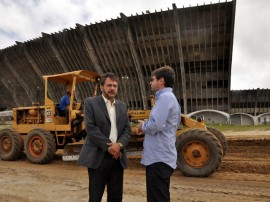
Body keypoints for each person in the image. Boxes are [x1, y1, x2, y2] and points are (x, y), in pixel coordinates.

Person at [78, 72, 131, 202]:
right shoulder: (91, 103)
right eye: (109, 85)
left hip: (117, 158)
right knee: (95, 197)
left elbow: (127, 129)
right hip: (99, 157)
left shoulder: (122, 106)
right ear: (102, 87)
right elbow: (90, 128)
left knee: (116, 197)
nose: (112, 88)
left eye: (115, 85)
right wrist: (110, 146)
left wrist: (119, 145)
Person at [136, 66, 181, 202]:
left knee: (157, 198)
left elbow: (156, 125)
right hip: (161, 157)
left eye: (152, 79)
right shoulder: (169, 98)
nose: (150, 82)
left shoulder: (165, 98)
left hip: (158, 159)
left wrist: (142, 126)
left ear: (161, 81)